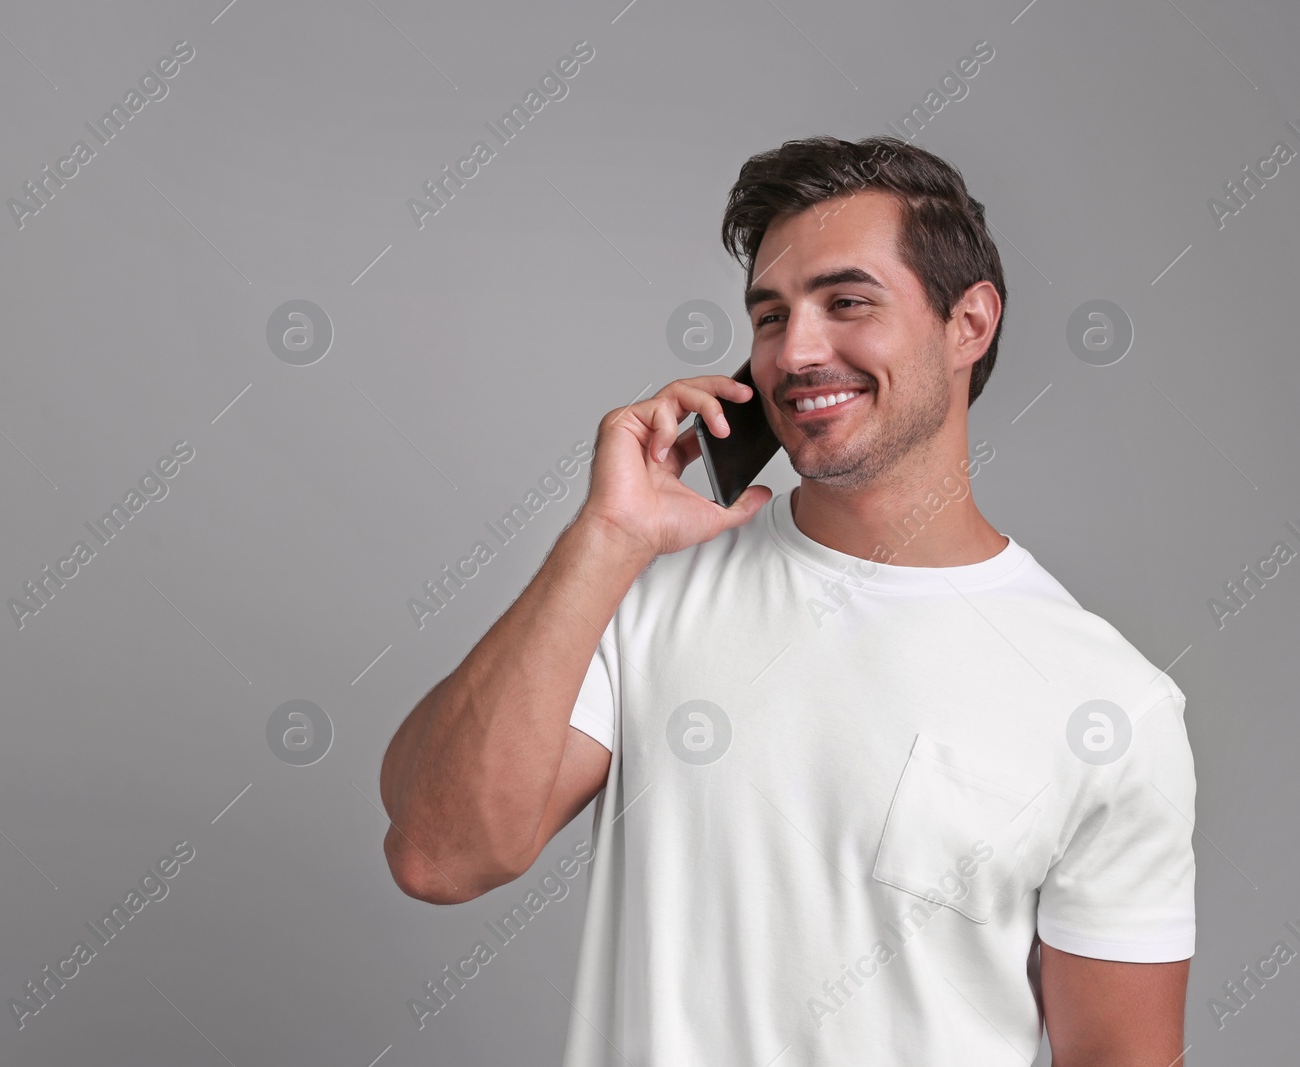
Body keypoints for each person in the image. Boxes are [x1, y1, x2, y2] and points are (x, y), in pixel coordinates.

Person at [378, 134, 1195, 1065]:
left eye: (847, 302)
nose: (796, 350)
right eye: (771, 315)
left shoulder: (1109, 704)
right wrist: (602, 540)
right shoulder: (642, 593)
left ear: (969, 322)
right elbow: (439, 854)